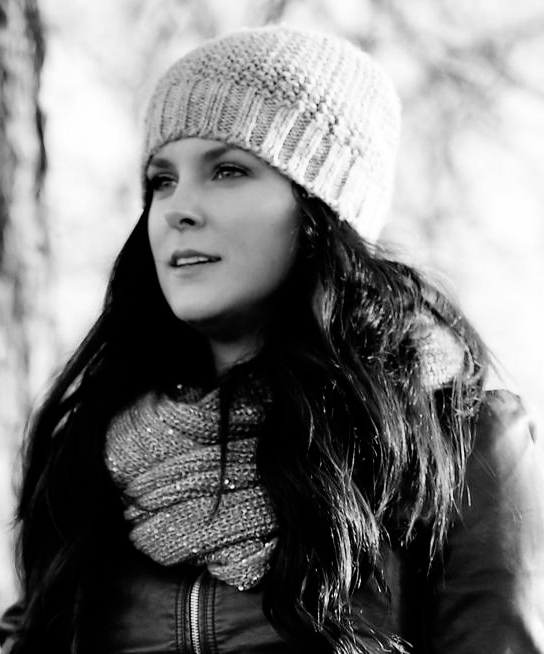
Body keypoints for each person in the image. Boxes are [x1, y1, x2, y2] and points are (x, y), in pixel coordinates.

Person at [1, 24, 543, 654]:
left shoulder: (455, 443)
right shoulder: (88, 454)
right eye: (162, 180)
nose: (177, 209)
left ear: (322, 208)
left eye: (228, 170)